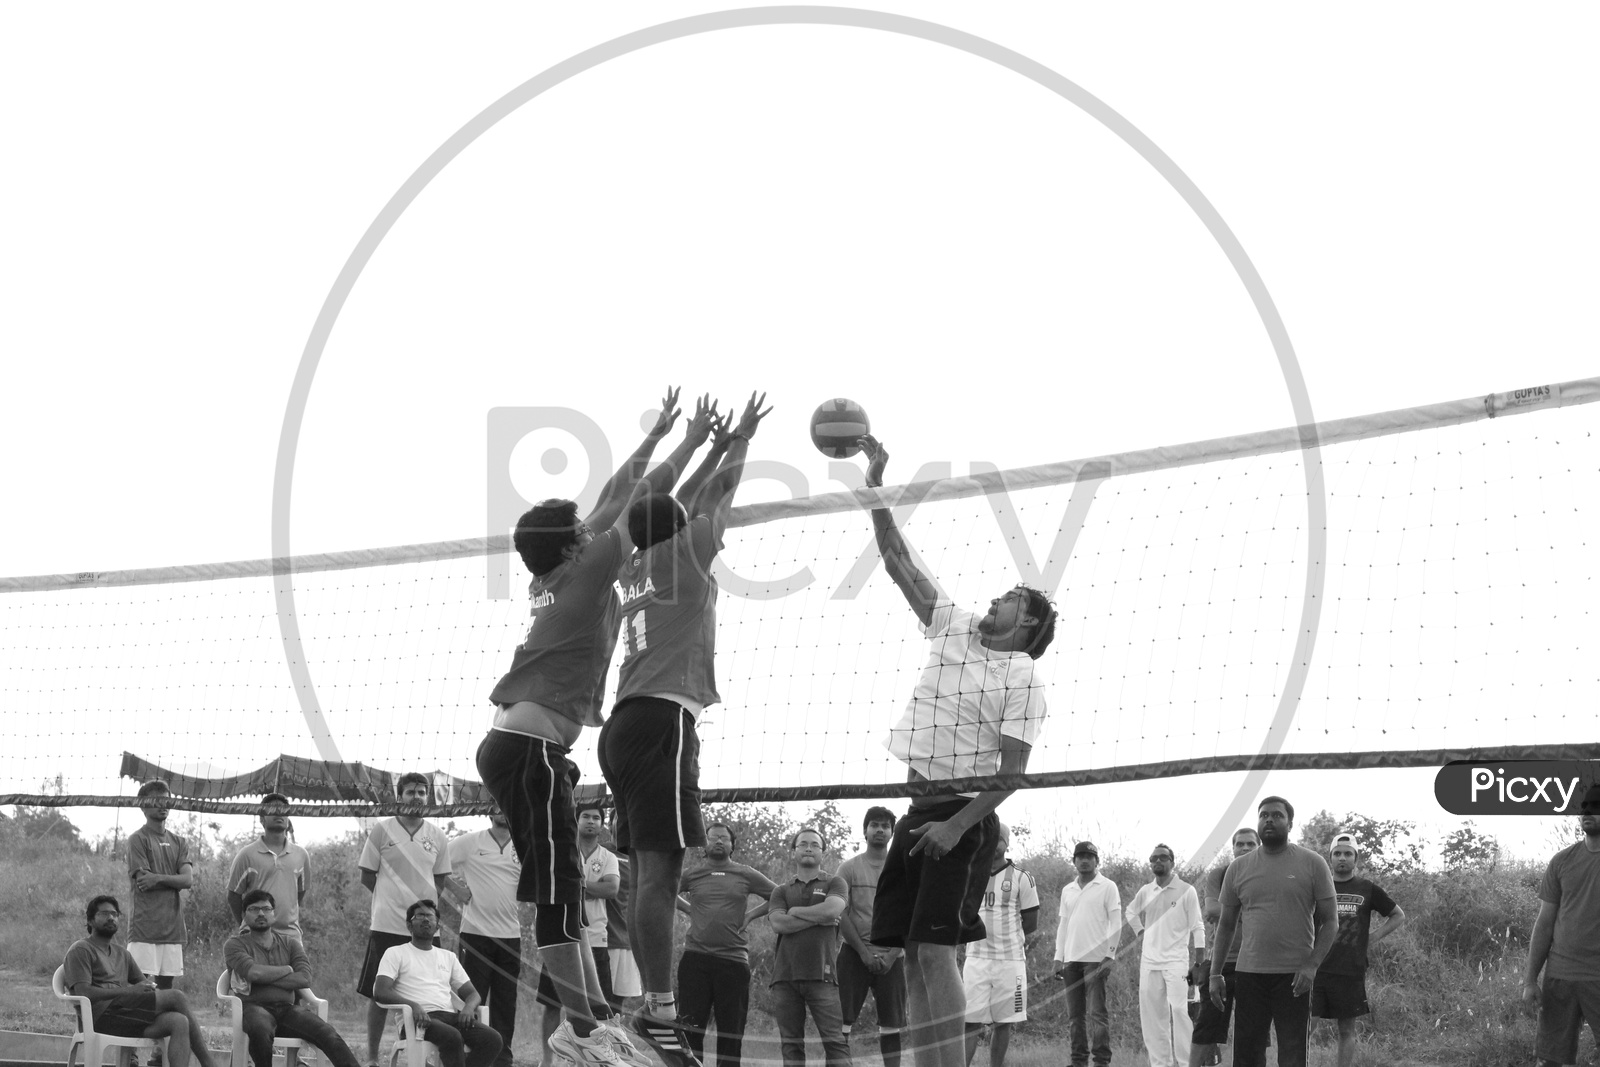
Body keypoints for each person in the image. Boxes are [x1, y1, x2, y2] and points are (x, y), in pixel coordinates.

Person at [478, 388, 720, 1067]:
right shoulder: (587, 569)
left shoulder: (555, 575)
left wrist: (670, 430)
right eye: (580, 527)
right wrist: (691, 443)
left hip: (528, 747)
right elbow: (637, 495)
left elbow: (617, 490)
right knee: (557, 895)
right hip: (528, 749)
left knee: (564, 893)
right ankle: (581, 1031)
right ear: (573, 543)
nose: (591, 526)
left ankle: (595, 1021)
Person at [856, 435, 1056, 1067]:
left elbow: (1012, 776)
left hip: (963, 817)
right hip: (919, 814)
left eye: (1009, 599)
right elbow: (898, 562)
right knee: (912, 955)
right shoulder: (955, 626)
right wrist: (876, 488)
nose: (994, 599)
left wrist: (957, 825)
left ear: (1025, 624)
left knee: (938, 954)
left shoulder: (1022, 677)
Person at [598, 391, 770, 1061]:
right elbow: (718, 490)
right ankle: (662, 1014)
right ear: (679, 521)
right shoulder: (690, 549)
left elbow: (672, 499)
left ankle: (651, 1006)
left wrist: (701, 439)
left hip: (627, 723)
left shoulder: (632, 562)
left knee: (646, 875)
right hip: (663, 721)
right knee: (659, 878)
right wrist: (740, 440)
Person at [1209, 796, 1337, 1067]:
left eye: (1277, 815)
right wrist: (1215, 973)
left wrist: (1312, 965)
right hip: (1250, 975)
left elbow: (1331, 922)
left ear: (1290, 824)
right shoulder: (1238, 868)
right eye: (1263, 814)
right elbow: (1227, 925)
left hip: (1295, 977)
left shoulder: (1313, 863)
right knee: (1247, 1055)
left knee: (1292, 1056)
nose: (1269, 819)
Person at [357, 772, 464, 1067]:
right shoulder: (382, 830)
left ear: (427, 797)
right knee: (377, 995)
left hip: (425, 928)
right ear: (399, 796)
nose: (416, 797)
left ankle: (432, 1056)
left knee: (432, 993)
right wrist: (392, 899)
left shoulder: (437, 835)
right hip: (387, 924)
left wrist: (421, 911)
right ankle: (372, 1058)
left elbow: (440, 880)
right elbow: (368, 876)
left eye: (421, 792)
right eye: (410, 792)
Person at [62, 895, 219, 1067]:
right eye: (105, 913)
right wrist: (128, 991)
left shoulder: (121, 953)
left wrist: (147, 991)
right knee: (177, 997)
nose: (111, 918)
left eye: (115, 914)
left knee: (179, 1022)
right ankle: (209, 1064)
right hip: (99, 1019)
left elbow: (145, 986)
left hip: (124, 1016)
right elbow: (84, 993)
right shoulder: (81, 949)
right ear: (90, 920)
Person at [676, 821, 778, 1067]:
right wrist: (690, 910)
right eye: (713, 837)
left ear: (732, 845)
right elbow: (664, 891)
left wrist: (752, 914)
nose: (719, 841)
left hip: (732, 961)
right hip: (695, 959)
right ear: (704, 843)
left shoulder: (745, 873)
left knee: (731, 1031)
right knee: (690, 1028)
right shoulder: (693, 873)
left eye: (724, 838)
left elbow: (779, 894)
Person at [223, 888, 361, 1067]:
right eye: (254, 909)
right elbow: (252, 973)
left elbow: (304, 978)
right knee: (260, 1029)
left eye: (266, 909)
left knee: (328, 1033)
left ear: (274, 913)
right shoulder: (235, 945)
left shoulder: (290, 944)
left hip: (289, 1010)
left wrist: (263, 978)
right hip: (254, 1008)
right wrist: (287, 969)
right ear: (243, 914)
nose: (261, 913)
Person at [539, 802, 623, 1067]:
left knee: (598, 1007)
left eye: (596, 818)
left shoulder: (607, 856)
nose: (591, 821)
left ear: (602, 824)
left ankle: (590, 1058)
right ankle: (546, 1059)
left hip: (596, 940)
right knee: (553, 1004)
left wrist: (576, 883)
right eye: (585, 816)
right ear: (576, 821)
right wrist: (586, 886)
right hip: (561, 940)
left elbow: (611, 889)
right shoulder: (564, 851)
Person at [1522, 782, 1600, 1067]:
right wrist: (1530, 980)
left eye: (1597, 806)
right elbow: (1544, 924)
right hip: (1560, 978)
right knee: (1552, 1060)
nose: (1588, 812)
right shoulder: (1562, 861)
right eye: (1585, 807)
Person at [1312, 832, 1405, 1067]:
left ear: (1356, 858)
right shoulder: (1317, 887)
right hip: (1315, 969)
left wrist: (1372, 938)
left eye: (1348, 854)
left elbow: (1397, 915)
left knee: (1346, 1030)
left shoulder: (1367, 888)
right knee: (1305, 1028)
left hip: (1350, 969)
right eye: (1337, 854)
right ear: (1329, 858)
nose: (1342, 858)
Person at [374, 900, 503, 1067]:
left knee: (493, 1039)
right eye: (419, 916)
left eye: (430, 917)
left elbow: (473, 994)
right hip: (417, 1019)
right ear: (409, 925)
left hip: (449, 1017)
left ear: (437, 927)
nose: (426, 920)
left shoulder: (447, 957)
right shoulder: (396, 953)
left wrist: (468, 1008)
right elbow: (380, 991)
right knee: (452, 1036)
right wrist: (414, 1006)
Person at [769, 828, 851, 1067]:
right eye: (803, 844)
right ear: (794, 852)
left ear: (822, 852)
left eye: (814, 845)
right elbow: (778, 923)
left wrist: (795, 913)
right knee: (791, 1044)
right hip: (785, 977)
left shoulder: (835, 882)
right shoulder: (781, 890)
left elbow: (833, 910)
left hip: (822, 975)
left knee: (835, 1042)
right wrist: (819, 918)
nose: (808, 848)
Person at [447, 807, 522, 1067]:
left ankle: (502, 1059)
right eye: (498, 804)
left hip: (510, 936)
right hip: (475, 935)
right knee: (472, 998)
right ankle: (471, 1055)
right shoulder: (470, 842)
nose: (503, 810)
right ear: (489, 810)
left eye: (507, 804)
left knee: (505, 1002)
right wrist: (455, 889)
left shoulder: (523, 846)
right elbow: (436, 858)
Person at [961, 822, 1038, 1067]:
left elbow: (1031, 922)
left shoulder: (1022, 877)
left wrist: (1009, 941)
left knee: (1004, 1022)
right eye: (989, 838)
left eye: (999, 839)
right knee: (970, 1021)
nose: (994, 844)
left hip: (1010, 961)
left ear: (1006, 843)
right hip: (976, 959)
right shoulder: (970, 873)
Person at [836, 807, 905, 1067]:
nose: (879, 830)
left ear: (891, 832)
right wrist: (864, 953)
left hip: (893, 955)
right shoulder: (849, 868)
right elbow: (841, 914)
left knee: (891, 1025)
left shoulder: (902, 868)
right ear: (864, 830)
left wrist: (891, 954)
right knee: (842, 1021)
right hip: (854, 954)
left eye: (885, 826)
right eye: (874, 824)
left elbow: (908, 914)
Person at [1125, 844, 1204, 1067]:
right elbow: (1130, 911)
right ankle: (1161, 1064)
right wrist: (1140, 930)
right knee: (1153, 1017)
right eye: (1153, 858)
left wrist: (1199, 962)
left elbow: (1197, 926)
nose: (1158, 861)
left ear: (1172, 862)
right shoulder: (1146, 891)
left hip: (1176, 962)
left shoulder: (1186, 890)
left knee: (1180, 1011)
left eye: (1163, 857)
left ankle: (1189, 1062)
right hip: (1149, 963)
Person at [1189, 828, 1260, 1067]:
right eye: (1240, 844)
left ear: (1258, 846)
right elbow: (1211, 910)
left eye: (1251, 844)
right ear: (1233, 848)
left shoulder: (1264, 875)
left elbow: (1271, 912)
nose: (1245, 848)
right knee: (1206, 1027)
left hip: (1257, 962)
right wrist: (1251, 910)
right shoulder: (1219, 875)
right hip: (1221, 963)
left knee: (1252, 1031)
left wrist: (1230, 910)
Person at [1051, 841, 1121, 1067]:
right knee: (1075, 1017)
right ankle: (1078, 1061)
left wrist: (1110, 954)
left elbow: (1116, 922)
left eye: (1089, 856)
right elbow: (1063, 925)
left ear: (1096, 860)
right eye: (1079, 856)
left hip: (1096, 960)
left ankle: (1101, 1061)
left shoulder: (1107, 886)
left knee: (1097, 1015)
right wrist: (1057, 957)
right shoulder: (1068, 890)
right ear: (1074, 861)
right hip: (1071, 961)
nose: (1084, 860)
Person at [127, 780, 193, 992]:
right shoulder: (137, 839)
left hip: (172, 928)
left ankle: (165, 1024)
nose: (163, 805)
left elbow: (187, 880)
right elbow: (144, 881)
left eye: (166, 800)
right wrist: (171, 879)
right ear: (143, 806)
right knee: (141, 985)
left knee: (166, 987)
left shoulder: (179, 842)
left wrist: (158, 879)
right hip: (145, 927)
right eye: (157, 801)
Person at [228, 793, 312, 942]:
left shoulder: (301, 855)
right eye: (273, 809)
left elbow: (299, 894)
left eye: (283, 811)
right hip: (255, 935)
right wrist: (248, 923)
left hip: (290, 936)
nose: (279, 813)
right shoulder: (246, 855)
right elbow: (234, 896)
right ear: (262, 819)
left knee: (296, 967)